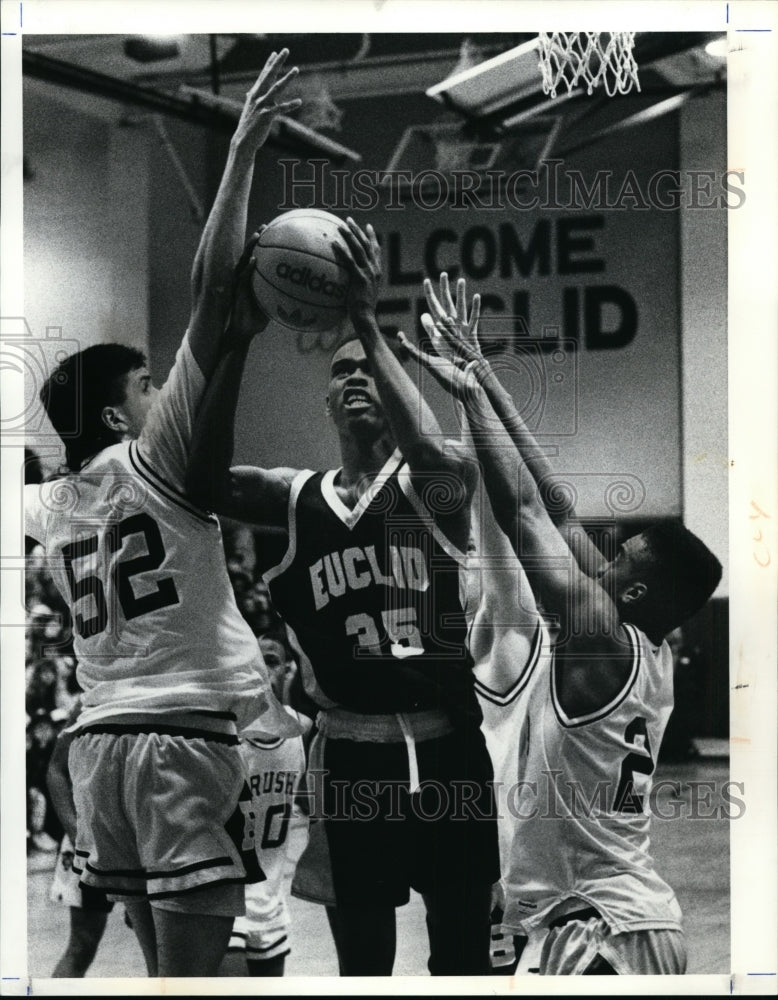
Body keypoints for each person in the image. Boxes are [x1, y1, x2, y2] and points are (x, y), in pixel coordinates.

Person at [23, 50, 303, 978]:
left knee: (160, 975)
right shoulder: (155, 462)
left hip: (98, 749)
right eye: (146, 383)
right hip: (183, 740)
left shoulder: (47, 503)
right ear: (116, 413)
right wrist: (244, 150)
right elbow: (214, 298)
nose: (159, 390)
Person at [185, 221, 500, 975]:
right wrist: (235, 343)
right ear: (325, 398)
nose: (356, 376)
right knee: (363, 967)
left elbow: (437, 459)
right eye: (342, 371)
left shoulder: (435, 482)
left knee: (463, 960)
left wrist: (366, 318)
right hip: (351, 759)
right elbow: (202, 483)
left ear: (398, 389)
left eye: (372, 368)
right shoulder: (294, 498)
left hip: (450, 748)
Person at [400, 275, 723, 976]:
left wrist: (467, 401)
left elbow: (521, 514)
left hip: (601, 928)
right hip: (607, 919)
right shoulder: (645, 647)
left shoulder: (602, 634)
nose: (603, 557)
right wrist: (483, 376)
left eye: (621, 557)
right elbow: (559, 508)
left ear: (634, 587)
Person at [220, 630, 312, 977]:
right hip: (226, 905)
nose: (259, 669)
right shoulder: (225, 734)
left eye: (270, 661)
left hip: (271, 903)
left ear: (288, 671)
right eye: (252, 661)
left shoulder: (301, 733)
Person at [46, 697, 119, 977]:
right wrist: (78, 834)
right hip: (92, 834)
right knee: (82, 945)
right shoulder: (91, 696)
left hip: (145, 837)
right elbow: (55, 770)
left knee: (162, 952)